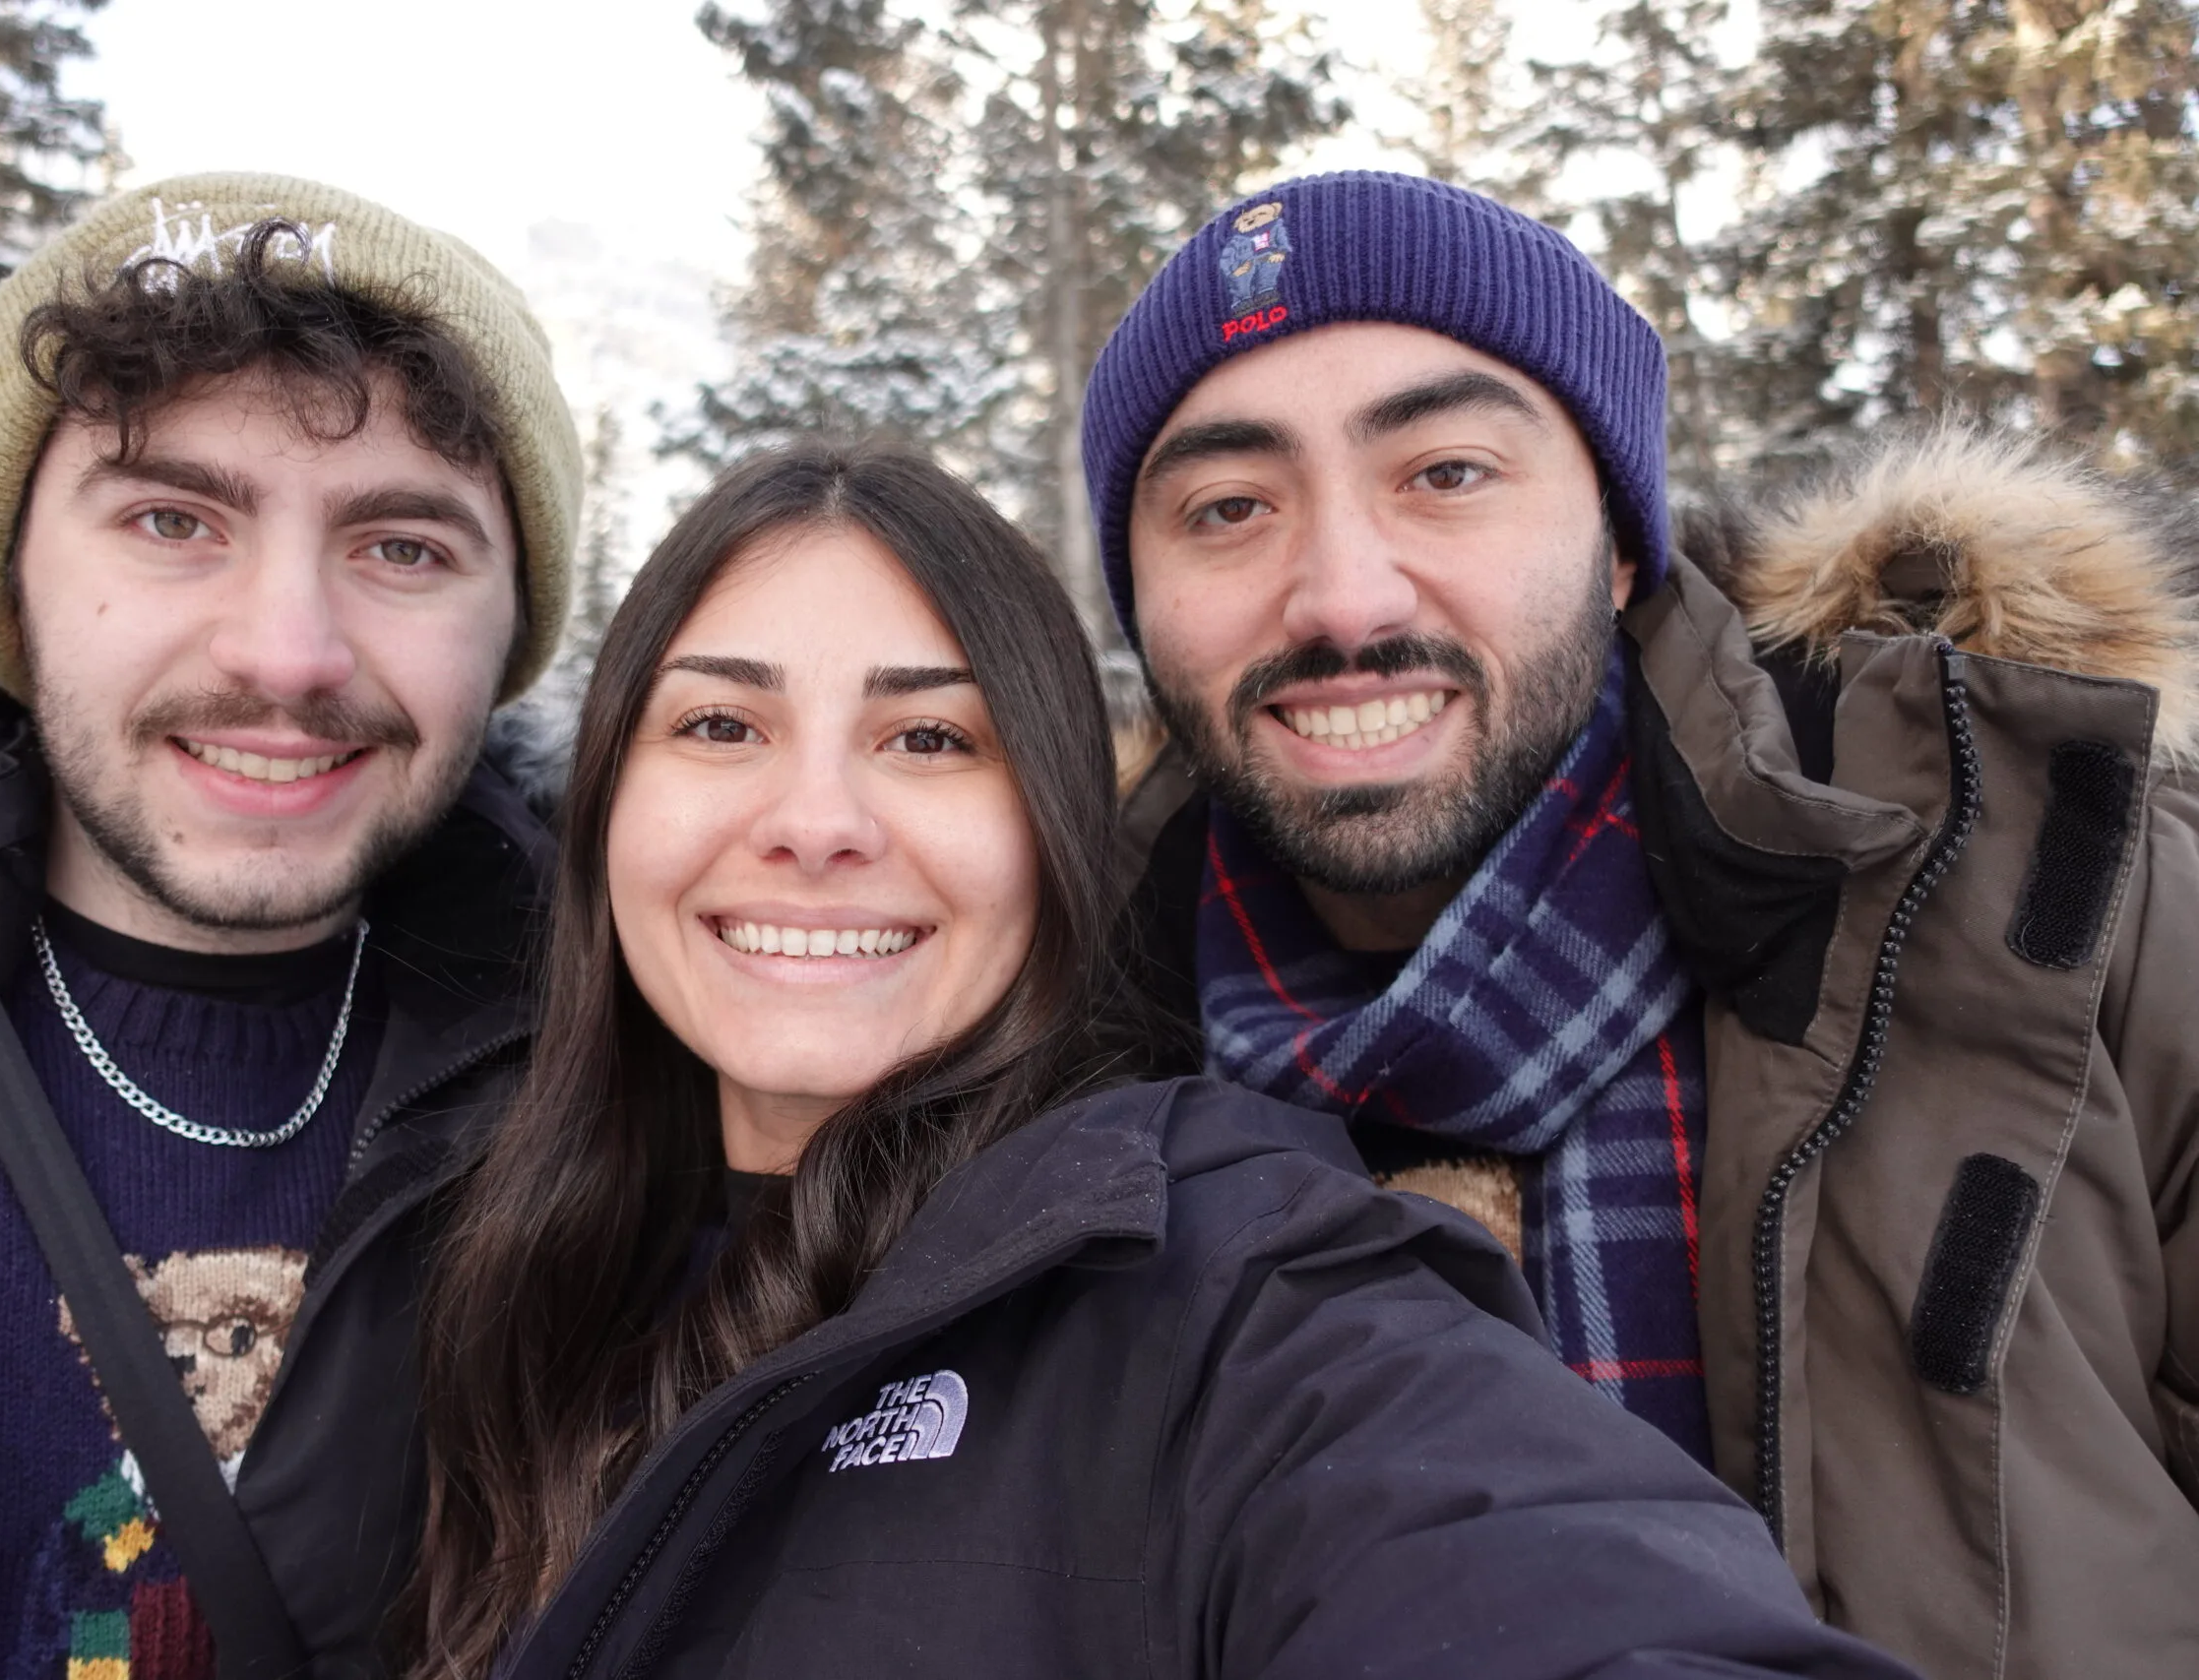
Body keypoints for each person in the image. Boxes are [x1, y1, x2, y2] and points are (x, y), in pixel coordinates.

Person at [409, 441, 1914, 1680]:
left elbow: (1535, 1576)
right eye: (722, 722)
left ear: (1056, 833)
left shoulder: (1226, 1271)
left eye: (932, 741)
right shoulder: (479, 1268)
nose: (815, 820)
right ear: (607, 799)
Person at [1082, 167, 2199, 1678]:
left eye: (1447, 473)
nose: (1342, 595)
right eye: (1227, 508)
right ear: (1140, 608)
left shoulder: (2068, 904)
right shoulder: (1056, 1070)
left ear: (1619, 546)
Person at [0, 174, 582, 1679]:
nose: (286, 653)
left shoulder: (625, 1085)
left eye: (405, 548)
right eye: (174, 519)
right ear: (10, 586)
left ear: (510, 635)